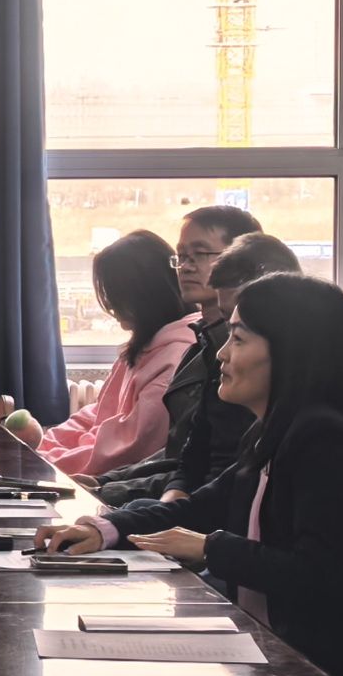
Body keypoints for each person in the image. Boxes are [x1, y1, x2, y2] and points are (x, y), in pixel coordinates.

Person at [36, 274, 343, 676]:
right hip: (282, 649)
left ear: (290, 352)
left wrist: (209, 547)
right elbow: (200, 507)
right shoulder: (275, 429)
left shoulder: (329, 440)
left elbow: (316, 575)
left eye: (238, 339)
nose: (222, 354)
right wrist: (104, 528)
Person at [87, 205, 265, 506]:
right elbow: (182, 453)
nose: (186, 266)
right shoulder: (199, 345)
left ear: (239, 260)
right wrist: (105, 482)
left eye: (200, 253)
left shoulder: (246, 357)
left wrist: (111, 490)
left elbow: (214, 472)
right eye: (181, 256)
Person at [5, 230, 194, 476]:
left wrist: (46, 463)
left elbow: (127, 448)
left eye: (116, 297)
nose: (112, 309)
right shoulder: (141, 347)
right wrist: (45, 446)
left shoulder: (175, 360)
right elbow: (98, 414)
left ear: (143, 295)